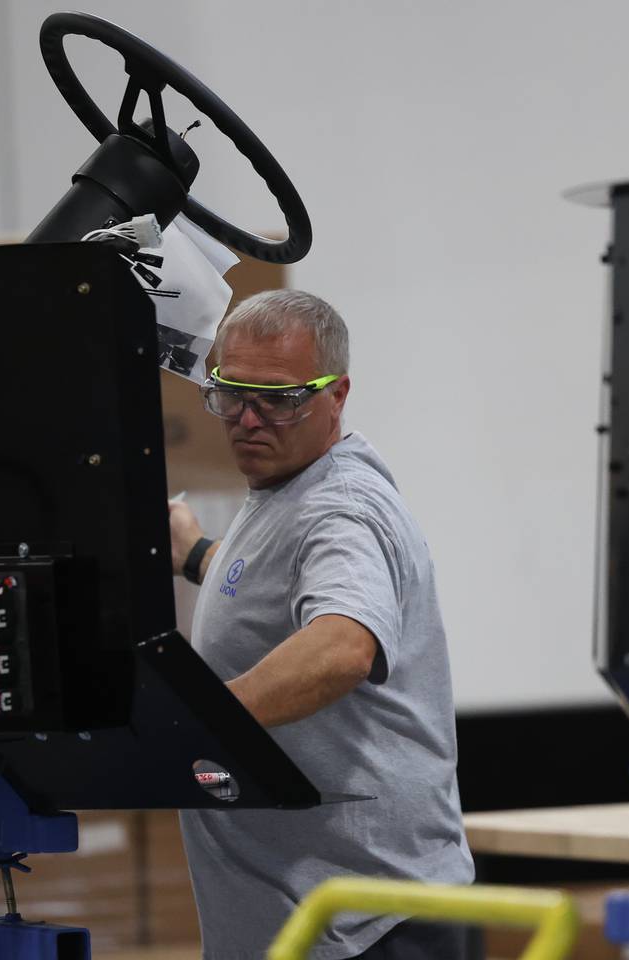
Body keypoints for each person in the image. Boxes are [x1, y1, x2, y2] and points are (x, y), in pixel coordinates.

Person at [169, 290, 475, 959]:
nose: (247, 419)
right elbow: (283, 591)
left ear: (337, 395)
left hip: (367, 930)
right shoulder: (290, 486)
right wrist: (196, 555)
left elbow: (341, 648)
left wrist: (190, 729)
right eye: (230, 393)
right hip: (318, 921)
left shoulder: (340, 508)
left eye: (276, 398)